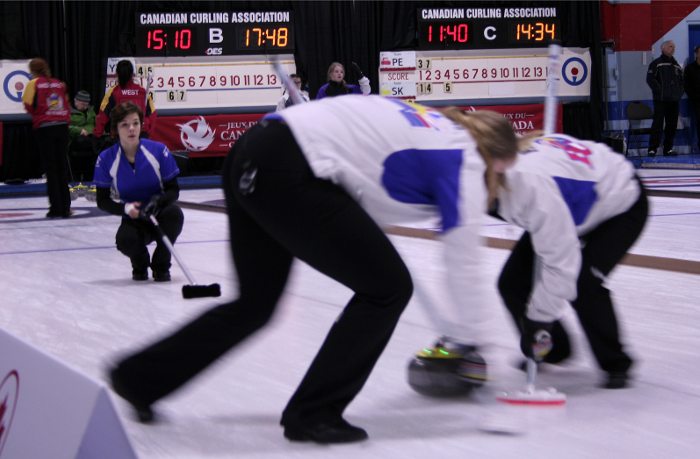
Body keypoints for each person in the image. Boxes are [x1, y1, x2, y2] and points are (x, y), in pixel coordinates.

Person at [107, 96, 519, 444]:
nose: (499, 188)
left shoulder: (430, 122)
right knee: (388, 288)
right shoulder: (465, 158)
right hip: (289, 167)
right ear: (494, 158)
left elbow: (362, 187)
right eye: (503, 176)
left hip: (255, 151)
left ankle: (138, 379)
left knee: (256, 303)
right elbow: (463, 262)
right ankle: (314, 412)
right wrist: (483, 353)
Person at [495, 134, 649, 390]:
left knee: (583, 281)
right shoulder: (503, 171)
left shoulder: (530, 184)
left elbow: (561, 264)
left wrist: (538, 322)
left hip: (619, 202)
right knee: (512, 283)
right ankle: (552, 349)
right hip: (571, 202)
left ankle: (615, 362)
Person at [93, 102, 183, 282]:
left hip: (159, 212)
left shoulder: (158, 151)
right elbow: (102, 200)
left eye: (135, 123)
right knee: (125, 240)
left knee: (175, 215)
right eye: (124, 125)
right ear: (116, 129)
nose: (131, 128)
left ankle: (161, 264)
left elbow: (173, 190)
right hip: (134, 217)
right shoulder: (106, 159)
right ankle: (140, 263)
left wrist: (158, 201)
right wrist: (126, 209)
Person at [21, 57, 72, 218]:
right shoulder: (59, 83)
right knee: (62, 167)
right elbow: (67, 103)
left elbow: (28, 103)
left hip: (45, 128)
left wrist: (39, 115)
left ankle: (56, 208)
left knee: (51, 169)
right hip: (62, 127)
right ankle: (66, 207)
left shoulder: (34, 83)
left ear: (33, 70)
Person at [94, 60, 157, 138]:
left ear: (117, 74)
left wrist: (97, 135)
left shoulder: (114, 92)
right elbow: (153, 114)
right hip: (140, 134)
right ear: (132, 74)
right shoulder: (142, 91)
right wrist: (148, 133)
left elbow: (102, 115)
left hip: (120, 135)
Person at [646, 40, 684, 156]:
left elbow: (682, 82)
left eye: (674, 47)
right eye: (670, 46)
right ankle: (652, 148)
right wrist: (660, 92)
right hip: (661, 100)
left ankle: (668, 148)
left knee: (671, 125)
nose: (673, 49)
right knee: (657, 124)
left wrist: (678, 93)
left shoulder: (676, 66)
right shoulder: (656, 63)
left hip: (673, 101)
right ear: (663, 48)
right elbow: (650, 79)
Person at [68, 90, 97, 181]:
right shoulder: (68, 112)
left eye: (86, 104)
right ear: (75, 101)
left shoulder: (91, 111)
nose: (85, 106)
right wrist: (79, 130)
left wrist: (89, 131)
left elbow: (94, 125)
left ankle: (90, 178)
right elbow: (66, 126)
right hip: (74, 141)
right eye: (82, 103)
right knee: (81, 141)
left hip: (89, 140)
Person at [684, 45, 700, 152]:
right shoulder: (690, 68)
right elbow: (686, 85)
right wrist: (694, 96)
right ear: (696, 53)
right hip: (697, 101)